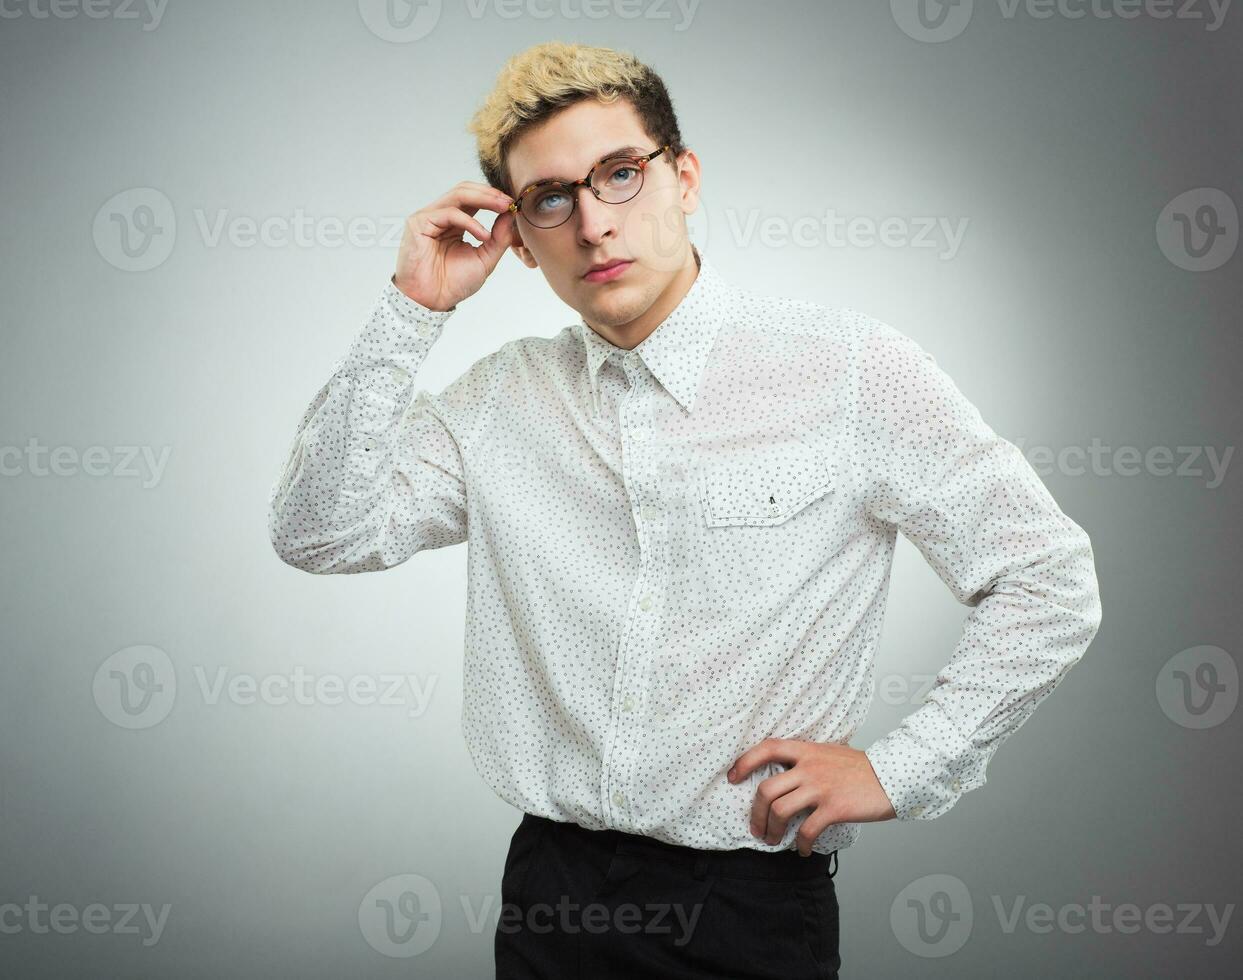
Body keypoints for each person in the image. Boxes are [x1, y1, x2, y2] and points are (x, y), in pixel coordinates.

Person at [268, 40, 1103, 980]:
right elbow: (318, 530)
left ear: (683, 178)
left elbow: (1045, 577)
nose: (592, 224)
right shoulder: (501, 401)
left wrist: (901, 769)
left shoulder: (849, 372)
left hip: (745, 907)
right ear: (519, 237)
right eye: (551, 198)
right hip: (551, 893)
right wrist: (410, 311)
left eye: (619, 175)